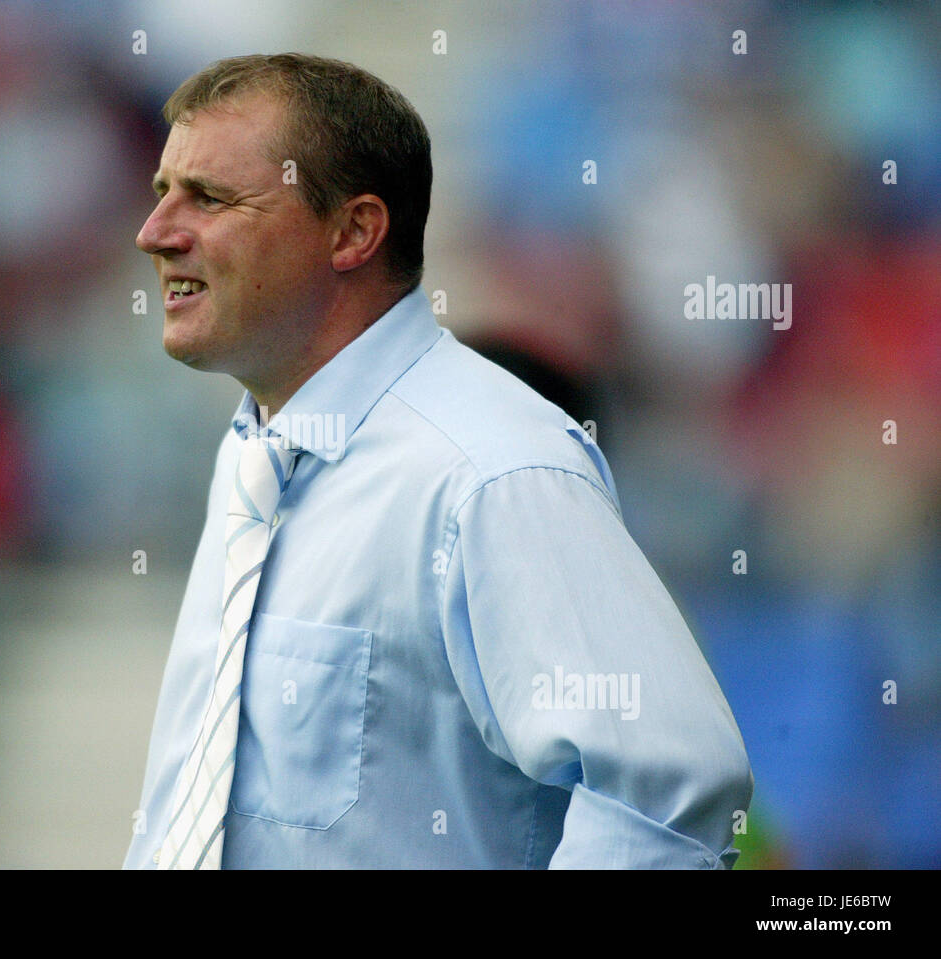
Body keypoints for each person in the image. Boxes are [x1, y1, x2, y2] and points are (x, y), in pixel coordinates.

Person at [124, 53, 752, 869]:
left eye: (208, 197)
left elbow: (669, 789)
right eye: (161, 193)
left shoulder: (494, 471)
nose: (155, 232)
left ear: (353, 231)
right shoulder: (254, 455)